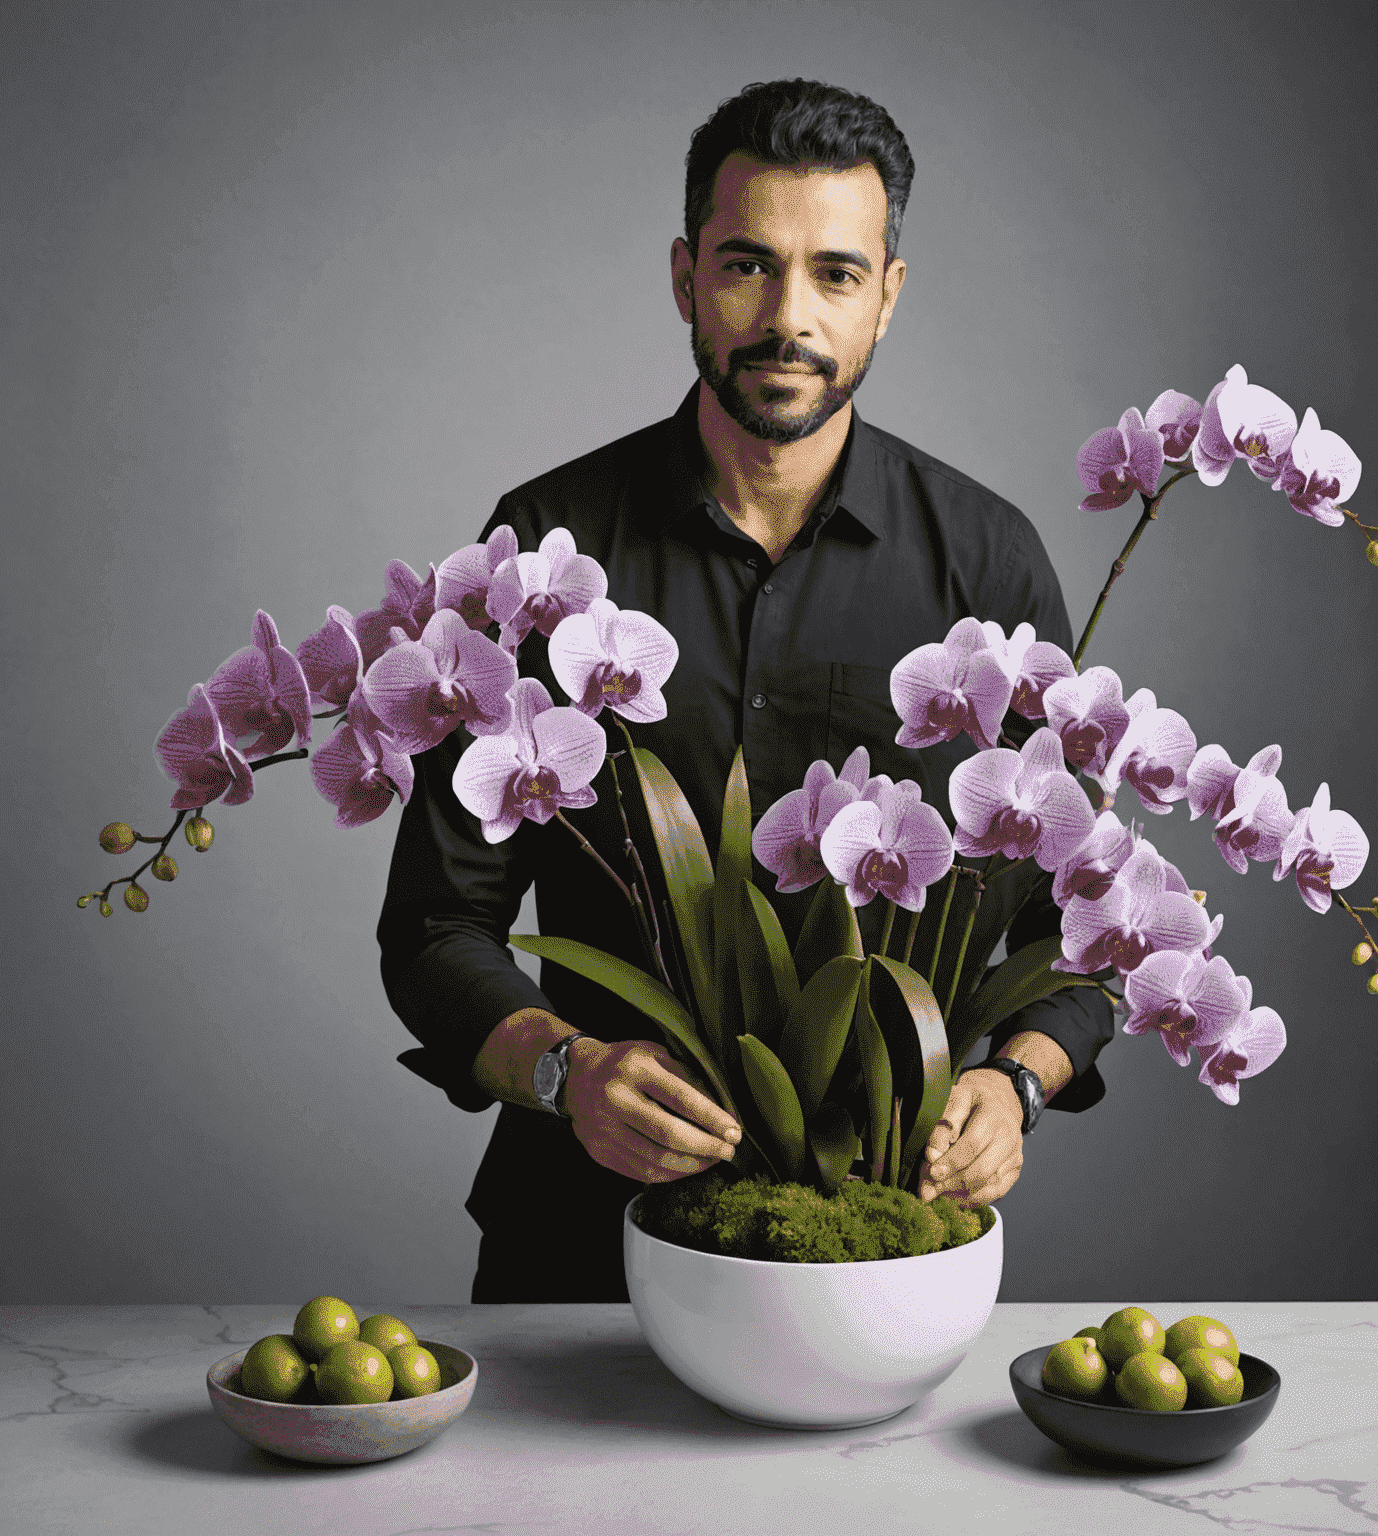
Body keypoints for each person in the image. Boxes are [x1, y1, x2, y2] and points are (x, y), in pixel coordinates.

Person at [378, 79, 1115, 1303]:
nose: (788, 317)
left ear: (888, 295)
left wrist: (1014, 1083)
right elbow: (434, 926)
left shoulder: (984, 565)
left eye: (834, 272)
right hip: (586, 1228)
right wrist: (568, 1071)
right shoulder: (549, 544)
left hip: (884, 1236)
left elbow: (1086, 928)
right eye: (745, 267)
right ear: (684, 281)